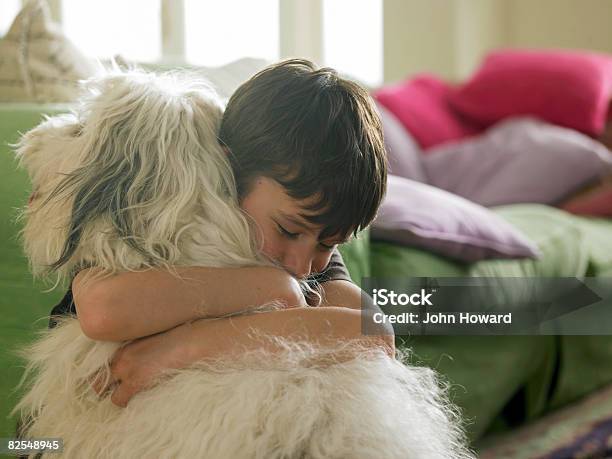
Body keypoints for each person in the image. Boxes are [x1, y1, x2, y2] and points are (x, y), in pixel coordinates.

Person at [49, 59, 393, 408]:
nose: (303, 267)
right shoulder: (160, 213)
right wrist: (275, 289)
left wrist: (181, 349)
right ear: (229, 172)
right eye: (289, 230)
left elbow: (374, 338)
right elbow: (103, 311)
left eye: (330, 243)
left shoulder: (305, 240)